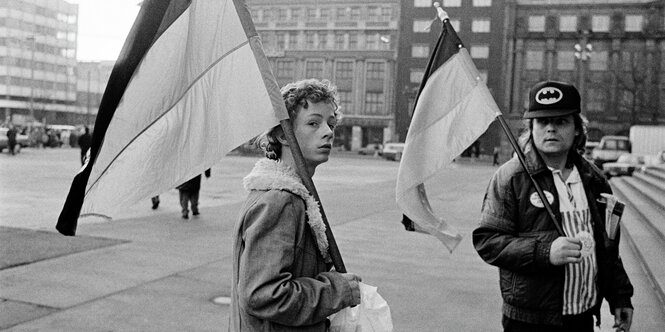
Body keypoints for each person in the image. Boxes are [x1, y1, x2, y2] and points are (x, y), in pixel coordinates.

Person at [473, 81, 634, 332]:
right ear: (531, 128)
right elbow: (488, 241)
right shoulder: (511, 178)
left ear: (577, 129)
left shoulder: (594, 180)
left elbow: (607, 247)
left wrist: (620, 295)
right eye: (542, 122)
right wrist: (544, 252)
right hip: (529, 321)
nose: (550, 129)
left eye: (560, 122)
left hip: (582, 317)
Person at [230, 79, 361, 331]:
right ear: (282, 134)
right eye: (314, 123)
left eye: (330, 123)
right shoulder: (280, 200)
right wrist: (337, 290)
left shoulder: (292, 195)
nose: (328, 131)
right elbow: (263, 294)